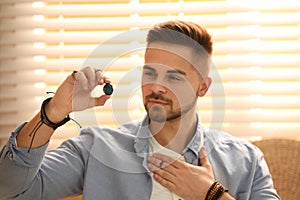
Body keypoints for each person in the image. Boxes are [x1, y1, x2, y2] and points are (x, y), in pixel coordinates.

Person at [0, 20, 279, 200]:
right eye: (150, 73)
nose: (157, 87)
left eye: (174, 77)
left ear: (203, 87)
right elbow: (11, 190)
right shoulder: (96, 148)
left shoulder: (246, 161)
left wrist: (212, 195)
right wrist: (54, 112)